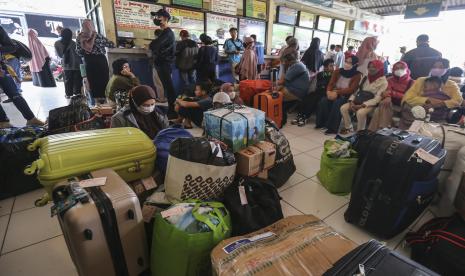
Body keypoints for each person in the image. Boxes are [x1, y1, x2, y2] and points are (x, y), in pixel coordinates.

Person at [400, 58, 463, 128]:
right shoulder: (421, 80)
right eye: (434, 67)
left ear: (447, 68)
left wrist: (440, 103)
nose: (437, 69)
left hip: (438, 117)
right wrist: (428, 99)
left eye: (441, 67)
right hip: (417, 115)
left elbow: (458, 100)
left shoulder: (451, 84)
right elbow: (408, 98)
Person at [316, 56, 362, 134]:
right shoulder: (338, 71)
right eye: (346, 61)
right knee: (323, 101)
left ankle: (332, 128)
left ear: (355, 64)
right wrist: (328, 92)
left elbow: (351, 89)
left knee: (337, 103)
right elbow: (331, 83)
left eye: (350, 62)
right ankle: (322, 123)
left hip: (346, 95)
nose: (347, 64)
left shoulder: (357, 75)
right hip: (334, 92)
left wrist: (337, 92)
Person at [340, 60, 388, 134]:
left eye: (374, 67)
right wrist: (351, 101)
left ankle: (360, 132)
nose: (371, 69)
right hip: (358, 99)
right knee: (343, 108)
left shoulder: (384, 82)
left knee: (360, 113)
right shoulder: (365, 77)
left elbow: (377, 98)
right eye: (369, 67)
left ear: (380, 68)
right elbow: (358, 90)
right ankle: (348, 127)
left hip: (371, 103)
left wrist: (362, 105)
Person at [368, 61, 414, 131]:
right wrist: (388, 97)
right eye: (396, 68)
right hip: (390, 104)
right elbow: (384, 92)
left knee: (380, 109)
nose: (399, 70)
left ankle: (375, 130)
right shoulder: (390, 80)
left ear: (407, 69)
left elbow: (408, 97)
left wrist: (392, 93)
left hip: (402, 106)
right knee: (383, 104)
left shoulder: (412, 82)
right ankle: (382, 130)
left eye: (401, 68)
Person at [77, 19, 115, 103]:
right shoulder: (97, 36)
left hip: (89, 61)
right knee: (104, 80)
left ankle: (96, 102)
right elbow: (111, 44)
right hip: (101, 61)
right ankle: (104, 101)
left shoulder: (80, 37)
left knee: (92, 82)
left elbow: (79, 52)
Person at [293, 58, 335, 127]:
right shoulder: (321, 74)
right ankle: (300, 115)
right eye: (331, 66)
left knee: (314, 99)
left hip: (327, 92)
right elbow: (317, 84)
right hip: (319, 91)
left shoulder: (333, 75)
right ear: (325, 67)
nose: (333, 67)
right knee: (307, 97)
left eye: (333, 66)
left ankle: (305, 117)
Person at [149, 9, 176, 116]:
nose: (156, 19)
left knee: (169, 88)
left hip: (164, 63)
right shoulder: (165, 32)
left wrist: (151, 45)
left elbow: (154, 45)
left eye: (158, 17)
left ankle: (173, 111)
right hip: (162, 63)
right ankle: (172, 110)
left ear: (165, 19)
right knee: (167, 87)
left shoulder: (167, 32)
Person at [278, 51, 310, 124]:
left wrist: (272, 83)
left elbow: (282, 81)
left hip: (297, 92)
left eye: (285, 61)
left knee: (276, 95)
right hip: (298, 90)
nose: (284, 63)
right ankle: (282, 118)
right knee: (277, 91)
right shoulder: (299, 64)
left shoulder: (296, 66)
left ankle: (281, 119)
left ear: (289, 61)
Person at [54, 28, 82, 98]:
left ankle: (68, 94)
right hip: (76, 64)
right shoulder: (74, 43)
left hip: (66, 65)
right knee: (77, 80)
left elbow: (60, 55)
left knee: (68, 80)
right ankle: (77, 93)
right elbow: (79, 54)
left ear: (61, 34)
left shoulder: (57, 43)